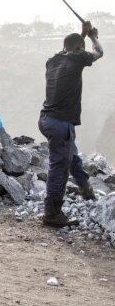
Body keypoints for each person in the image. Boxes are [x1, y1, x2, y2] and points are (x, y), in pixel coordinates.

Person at [38, 21, 103, 228]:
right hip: (60, 123)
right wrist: (92, 36)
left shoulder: (52, 60)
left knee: (71, 156)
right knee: (59, 168)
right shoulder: (79, 56)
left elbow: (71, 50)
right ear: (78, 49)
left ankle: (86, 191)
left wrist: (81, 36)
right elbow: (99, 52)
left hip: (47, 120)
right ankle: (52, 214)